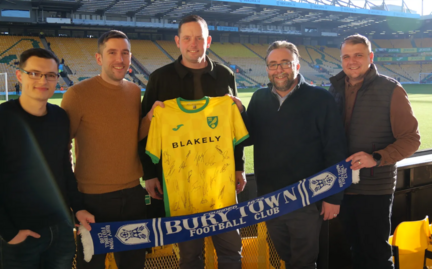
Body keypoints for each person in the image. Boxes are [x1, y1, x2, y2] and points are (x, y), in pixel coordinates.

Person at [0, 48, 95, 268]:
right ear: (19, 75)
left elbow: (64, 167)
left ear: (57, 79)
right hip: (21, 235)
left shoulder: (59, 117)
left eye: (50, 75)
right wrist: (9, 232)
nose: (42, 80)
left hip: (61, 232)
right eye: (34, 73)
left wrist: (79, 208)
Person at [139, 14, 245, 269]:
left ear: (208, 40)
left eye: (199, 38)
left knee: (231, 250)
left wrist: (238, 166)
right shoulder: (160, 78)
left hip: (220, 182)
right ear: (178, 41)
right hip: (179, 183)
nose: (193, 44)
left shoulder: (225, 75)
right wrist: (150, 174)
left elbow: (234, 126)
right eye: (187, 38)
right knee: (189, 255)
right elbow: (144, 129)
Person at [244, 41, 348, 269]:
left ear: (297, 65)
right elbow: (247, 138)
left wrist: (333, 197)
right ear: (267, 69)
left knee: (304, 261)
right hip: (270, 199)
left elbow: (335, 149)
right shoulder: (259, 99)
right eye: (273, 64)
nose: (278, 69)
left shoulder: (321, 99)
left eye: (285, 63)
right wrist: (234, 112)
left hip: (307, 199)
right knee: (286, 256)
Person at [329, 34, 420, 269]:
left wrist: (377, 158)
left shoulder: (391, 90)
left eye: (358, 55)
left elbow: (411, 139)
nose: (352, 61)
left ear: (370, 57)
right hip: (342, 186)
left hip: (374, 189)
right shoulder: (334, 89)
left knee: (376, 255)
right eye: (346, 56)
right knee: (355, 250)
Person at [61, 30, 148, 269]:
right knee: (91, 265)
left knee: (134, 265)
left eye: (125, 53)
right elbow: (61, 148)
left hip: (132, 196)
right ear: (99, 58)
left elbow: (132, 137)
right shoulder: (76, 94)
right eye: (112, 53)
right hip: (92, 201)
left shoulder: (134, 92)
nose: (120, 59)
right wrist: (74, 199)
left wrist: (150, 119)